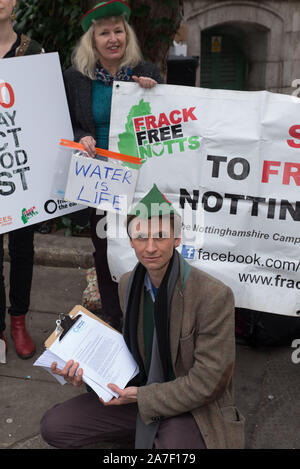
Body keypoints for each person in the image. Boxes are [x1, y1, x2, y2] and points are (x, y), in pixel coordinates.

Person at [40, 184, 245, 449]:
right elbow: (130, 355)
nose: (150, 248)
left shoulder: (213, 295)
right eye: (141, 237)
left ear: (177, 238)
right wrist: (86, 374)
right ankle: (144, 432)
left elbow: (209, 383)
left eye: (160, 237)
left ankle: (157, 435)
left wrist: (143, 397)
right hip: (138, 394)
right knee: (55, 426)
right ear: (131, 241)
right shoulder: (128, 284)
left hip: (192, 406)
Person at [63, 0, 162, 332]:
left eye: (118, 30)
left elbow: (166, 117)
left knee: (145, 244)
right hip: (101, 179)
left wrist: (152, 87)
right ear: (93, 40)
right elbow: (66, 123)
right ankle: (114, 316)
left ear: (126, 34)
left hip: (142, 176)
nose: (112, 38)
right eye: (104, 32)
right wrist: (82, 137)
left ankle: (146, 313)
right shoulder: (76, 78)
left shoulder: (146, 72)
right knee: (104, 250)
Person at [0, 0, 43, 359]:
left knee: (22, 248)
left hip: (20, 167)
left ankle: (18, 320)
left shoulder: (33, 51)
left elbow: (43, 108)